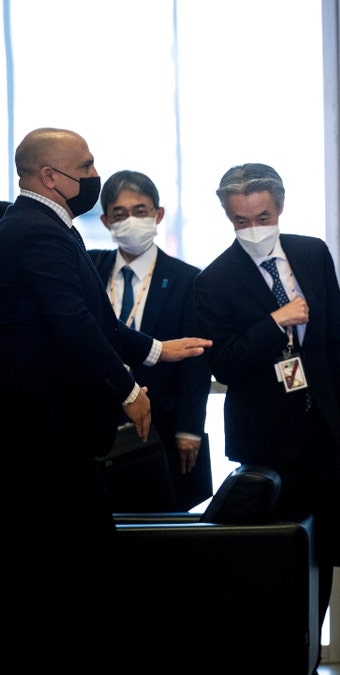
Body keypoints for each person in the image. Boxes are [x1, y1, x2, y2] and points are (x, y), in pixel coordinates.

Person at [0, 128, 210, 664]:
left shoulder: (50, 226)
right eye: (87, 166)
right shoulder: (36, 231)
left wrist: (160, 351)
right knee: (84, 569)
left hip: (56, 439)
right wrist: (128, 388)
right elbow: (71, 322)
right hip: (48, 440)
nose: (94, 175)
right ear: (51, 177)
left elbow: (101, 322)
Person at [193, 162, 340, 660]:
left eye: (261, 216)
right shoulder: (214, 280)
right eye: (240, 220)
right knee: (274, 557)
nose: (253, 228)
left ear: (279, 207)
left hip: (322, 431)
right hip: (265, 443)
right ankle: (275, 656)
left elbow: (335, 338)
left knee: (322, 553)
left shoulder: (312, 252)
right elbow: (224, 364)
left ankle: (311, 653)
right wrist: (274, 322)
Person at [90, 170, 213, 510]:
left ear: (158, 215)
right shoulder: (90, 268)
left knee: (161, 526)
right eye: (120, 213)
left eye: (140, 211)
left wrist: (191, 429)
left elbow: (196, 359)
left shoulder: (188, 279)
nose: (131, 220)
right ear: (105, 221)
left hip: (163, 423)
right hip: (97, 425)